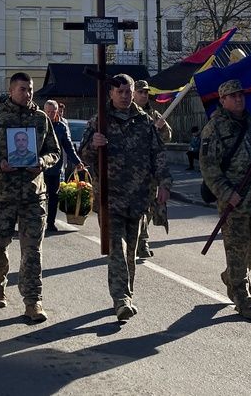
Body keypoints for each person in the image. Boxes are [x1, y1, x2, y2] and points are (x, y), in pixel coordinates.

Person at [79, 74, 170, 321]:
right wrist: (93, 144)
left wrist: (164, 182)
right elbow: (83, 156)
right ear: (110, 93)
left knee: (131, 252)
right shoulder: (100, 120)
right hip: (111, 198)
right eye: (120, 92)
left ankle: (127, 294)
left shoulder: (144, 120)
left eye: (128, 91)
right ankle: (121, 299)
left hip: (139, 197)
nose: (125, 96)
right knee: (116, 249)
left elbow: (158, 154)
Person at [0, 72, 60, 323]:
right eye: (23, 89)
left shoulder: (41, 119)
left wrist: (42, 162)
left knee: (32, 251)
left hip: (33, 195)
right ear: (11, 91)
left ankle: (33, 301)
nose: (28, 93)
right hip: (2, 196)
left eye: (30, 89)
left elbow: (54, 151)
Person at [200, 79, 251, 322]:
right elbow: (209, 167)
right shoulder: (214, 128)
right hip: (233, 199)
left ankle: (231, 276)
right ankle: (243, 299)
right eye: (232, 96)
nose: (238, 99)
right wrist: (226, 193)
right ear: (222, 100)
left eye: (240, 95)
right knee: (236, 249)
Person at [132, 80, 172, 260]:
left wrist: (162, 128)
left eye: (146, 92)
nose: (143, 95)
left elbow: (167, 137)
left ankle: (142, 241)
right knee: (133, 207)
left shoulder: (154, 115)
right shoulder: (127, 113)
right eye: (140, 92)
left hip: (150, 171)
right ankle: (134, 240)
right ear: (134, 93)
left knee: (148, 206)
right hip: (130, 171)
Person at [42, 99, 82, 234]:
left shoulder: (61, 127)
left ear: (57, 111)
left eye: (53, 112)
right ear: (44, 111)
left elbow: (68, 146)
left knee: (53, 196)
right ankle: (37, 222)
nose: (50, 114)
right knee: (38, 197)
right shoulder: (38, 124)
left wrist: (77, 162)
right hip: (39, 167)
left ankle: (50, 223)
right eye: (48, 112)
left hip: (55, 167)